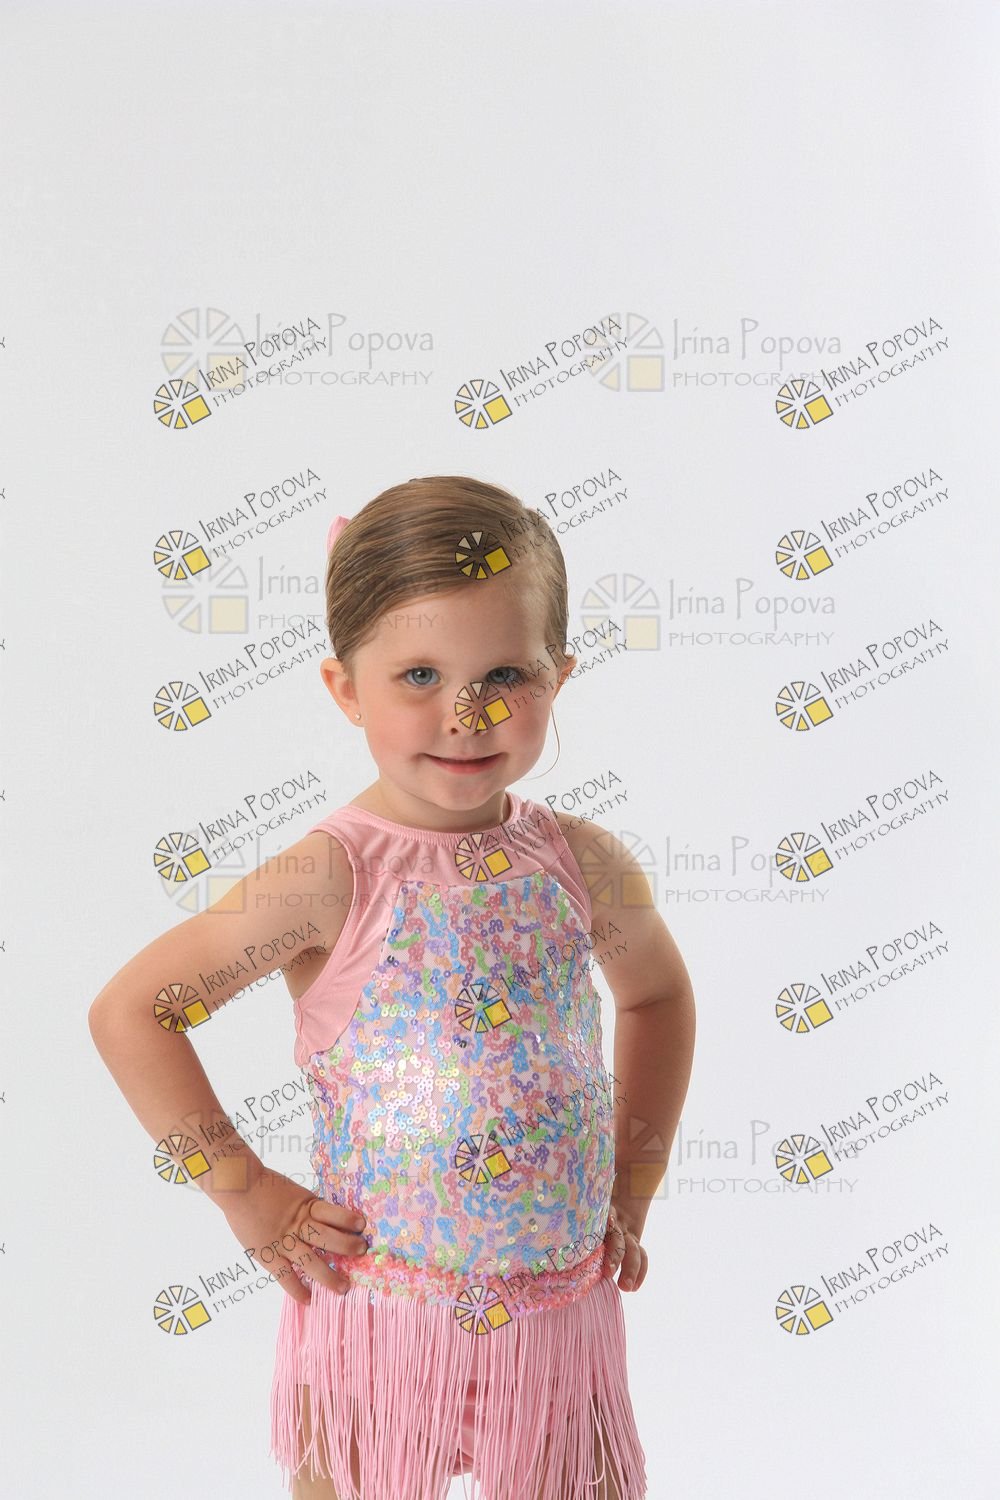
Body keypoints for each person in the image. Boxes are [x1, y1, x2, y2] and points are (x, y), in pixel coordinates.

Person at [88, 474, 696, 1500]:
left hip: (558, 1318)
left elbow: (657, 999)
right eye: (420, 674)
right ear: (345, 688)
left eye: (506, 673)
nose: (468, 713)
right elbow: (132, 1013)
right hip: (377, 1314)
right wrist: (249, 1197)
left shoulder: (582, 863)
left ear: (559, 677)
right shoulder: (333, 875)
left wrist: (628, 1185)